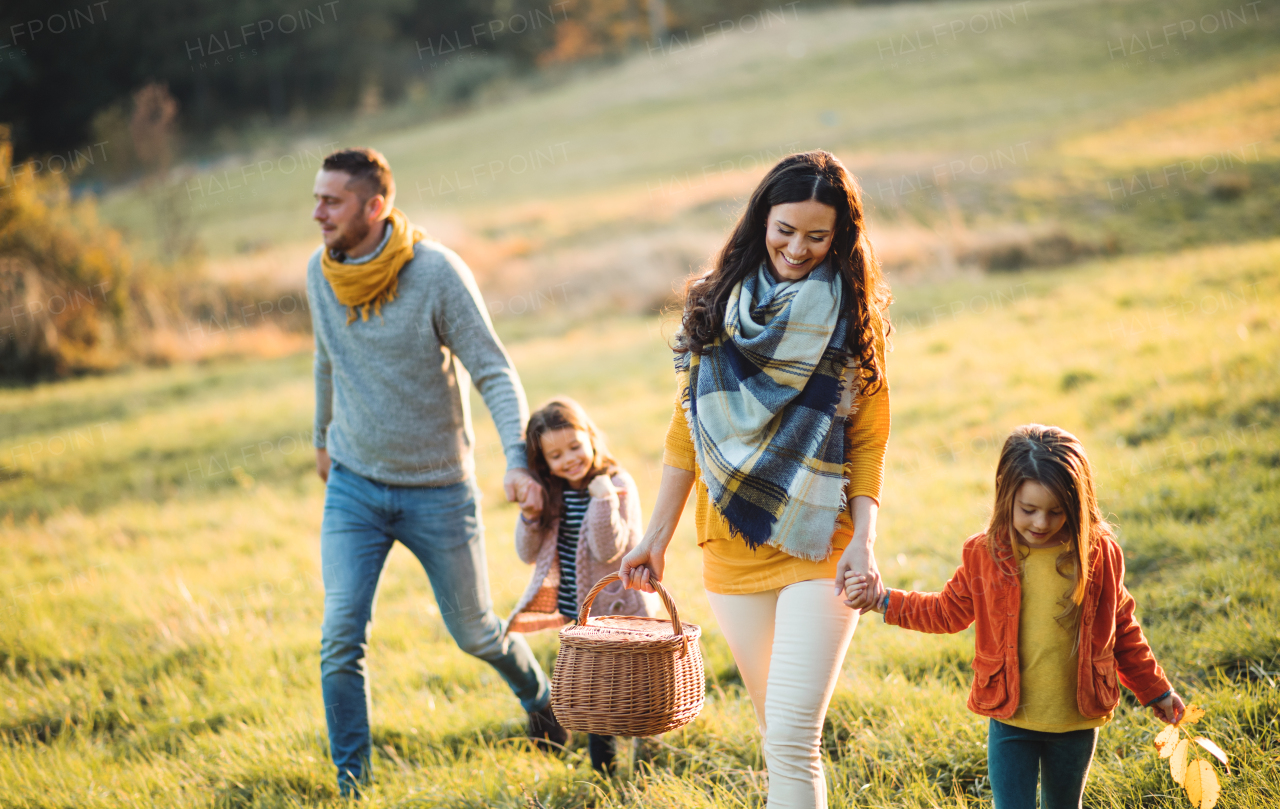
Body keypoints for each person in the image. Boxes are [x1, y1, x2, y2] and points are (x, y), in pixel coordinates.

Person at [619, 150, 893, 808]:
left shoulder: (852, 317)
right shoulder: (716, 305)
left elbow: (869, 437)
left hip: (817, 540)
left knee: (795, 737)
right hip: (730, 546)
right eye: (785, 230)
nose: (798, 248)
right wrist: (655, 535)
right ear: (760, 221)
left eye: (817, 236)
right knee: (775, 733)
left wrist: (866, 537)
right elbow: (688, 428)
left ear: (841, 238)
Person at [307, 147, 566, 795]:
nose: (317, 213)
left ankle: (541, 699)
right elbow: (325, 358)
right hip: (355, 486)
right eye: (316, 199)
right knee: (341, 634)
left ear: (375, 206)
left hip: (438, 491)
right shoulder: (320, 271)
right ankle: (353, 786)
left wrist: (516, 457)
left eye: (332, 201)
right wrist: (321, 437)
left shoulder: (436, 272)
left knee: (477, 631)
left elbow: (493, 369)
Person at [845, 424, 1185, 809]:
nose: (1041, 523)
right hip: (1010, 722)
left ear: (1077, 504)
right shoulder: (986, 554)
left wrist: (1155, 689)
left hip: (1075, 723)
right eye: (1028, 510)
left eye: (1056, 511)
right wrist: (884, 601)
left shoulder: (1097, 555)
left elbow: (1122, 628)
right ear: (1006, 497)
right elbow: (945, 612)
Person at [504, 397, 655, 774]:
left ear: (590, 438)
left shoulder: (616, 483)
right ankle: (604, 774)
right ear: (543, 462)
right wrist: (529, 513)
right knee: (594, 695)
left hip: (621, 613)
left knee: (634, 689)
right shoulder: (551, 492)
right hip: (580, 614)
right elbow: (526, 553)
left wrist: (603, 499)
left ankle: (647, 757)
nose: (569, 459)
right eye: (556, 456)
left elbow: (612, 547)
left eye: (575, 446)